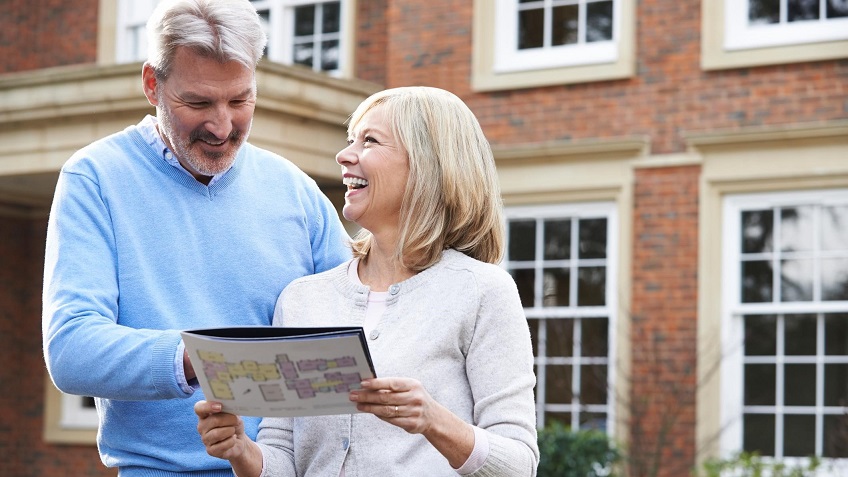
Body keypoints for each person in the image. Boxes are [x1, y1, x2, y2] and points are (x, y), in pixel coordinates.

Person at [41, 0, 350, 475]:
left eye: (240, 100)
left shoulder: (296, 191)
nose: (222, 127)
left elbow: (351, 335)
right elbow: (72, 349)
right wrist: (208, 361)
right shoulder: (96, 178)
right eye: (199, 102)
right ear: (152, 85)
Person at [195, 86, 540, 476]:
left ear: (428, 165)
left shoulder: (482, 291)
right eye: (349, 140)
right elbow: (284, 459)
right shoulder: (302, 299)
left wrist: (434, 420)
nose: (344, 155)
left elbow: (518, 465)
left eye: (370, 141)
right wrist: (242, 450)